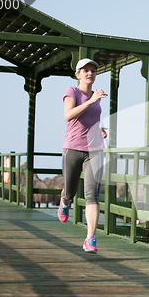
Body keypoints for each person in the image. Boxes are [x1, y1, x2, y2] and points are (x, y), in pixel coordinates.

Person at [58, 58, 108, 254]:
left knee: (91, 195)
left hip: (94, 150)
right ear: (77, 74)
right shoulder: (72, 91)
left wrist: (99, 130)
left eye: (93, 71)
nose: (90, 73)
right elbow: (68, 115)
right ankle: (64, 200)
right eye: (86, 70)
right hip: (72, 148)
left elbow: (90, 120)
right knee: (70, 190)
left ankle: (90, 238)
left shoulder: (96, 97)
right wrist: (92, 100)